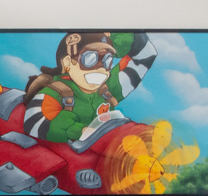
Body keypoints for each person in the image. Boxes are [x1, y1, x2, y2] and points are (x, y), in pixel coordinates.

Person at [21, 31, 157, 144]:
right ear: (67, 62)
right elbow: (34, 122)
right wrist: (81, 131)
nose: (100, 68)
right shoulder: (55, 92)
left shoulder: (108, 88)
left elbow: (147, 53)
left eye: (107, 59)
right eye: (90, 58)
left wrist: (114, 38)